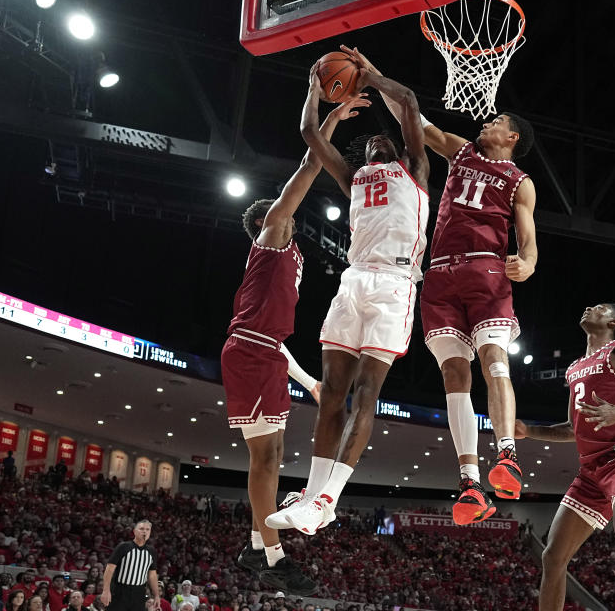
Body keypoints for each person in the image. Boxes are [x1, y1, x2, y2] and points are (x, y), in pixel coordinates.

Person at [338, 45, 538, 522]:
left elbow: (529, 241)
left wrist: (527, 264)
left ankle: (507, 455)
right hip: (440, 273)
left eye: (496, 121)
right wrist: (375, 75)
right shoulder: (463, 152)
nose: (486, 121)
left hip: (486, 269)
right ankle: (470, 483)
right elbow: (416, 120)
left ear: (512, 136)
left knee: (493, 359)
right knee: (453, 375)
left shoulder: (519, 181)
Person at [270, 57, 429, 536]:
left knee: (366, 395)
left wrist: (367, 74)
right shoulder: (352, 177)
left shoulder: (416, 170)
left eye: (386, 141)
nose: (379, 143)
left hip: (395, 285)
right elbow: (309, 134)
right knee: (331, 394)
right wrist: (316, 89)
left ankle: (327, 497)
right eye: (372, 143)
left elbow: (410, 102)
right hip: (354, 280)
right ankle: (312, 499)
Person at [224, 80, 369, 596]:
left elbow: (279, 338)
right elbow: (308, 168)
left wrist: (306, 378)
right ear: (264, 223)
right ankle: (271, 555)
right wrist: (327, 120)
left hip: (267, 352)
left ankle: (255, 544)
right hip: (249, 352)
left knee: (275, 455)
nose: (288, 218)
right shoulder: (270, 238)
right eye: (279, 213)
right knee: (265, 460)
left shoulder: (290, 257)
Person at [514, 303, 615, 611]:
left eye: (599, 308)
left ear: (614, 321)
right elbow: (574, 428)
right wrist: (528, 430)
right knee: (552, 555)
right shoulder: (574, 367)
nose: (589, 307)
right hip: (591, 470)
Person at [100, 521, 160, 611]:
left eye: (148, 529)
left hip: (139, 593)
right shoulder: (123, 547)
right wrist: (105, 590)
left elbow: (152, 575)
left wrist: (156, 595)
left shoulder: (152, 551)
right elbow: (109, 569)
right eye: (141, 529)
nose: (145, 531)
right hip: (120, 591)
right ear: (134, 531)